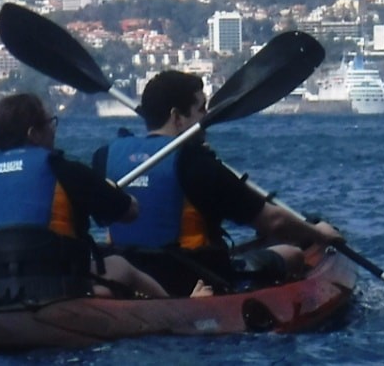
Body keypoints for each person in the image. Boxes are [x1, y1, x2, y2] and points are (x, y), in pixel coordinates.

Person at [93, 70, 343, 297]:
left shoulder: (104, 157)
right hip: (192, 279)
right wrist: (318, 233)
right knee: (293, 253)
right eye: (201, 109)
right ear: (177, 117)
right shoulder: (196, 163)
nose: (208, 117)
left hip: (129, 275)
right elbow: (273, 221)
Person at [0, 93, 170, 303]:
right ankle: (175, 309)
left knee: (102, 283)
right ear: (33, 134)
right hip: (57, 287)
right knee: (120, 266)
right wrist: (111, 189)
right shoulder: (66, 171)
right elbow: (129, 212)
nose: (53, 130)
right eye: (50, 123)